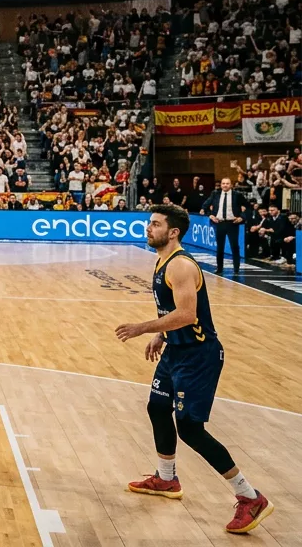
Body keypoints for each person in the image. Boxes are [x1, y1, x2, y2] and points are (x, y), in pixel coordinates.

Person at [116, 204, 274, 535]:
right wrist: (162, 334)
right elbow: (172, 310)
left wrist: (143, 328)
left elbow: (187, 314)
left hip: (198, 357)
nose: (148, 228)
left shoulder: (181, 265)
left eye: (155, 224)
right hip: (175, 351)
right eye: (149, 223)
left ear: (173, 232)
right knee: (157, 407)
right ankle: (167, 479)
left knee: (189, 428)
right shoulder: (162, 260)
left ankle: (250, 496)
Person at [199, 178, 245, 273]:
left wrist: (242, 217)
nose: (225, 185)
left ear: (231, 185)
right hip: (219, 223)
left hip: (232, 223)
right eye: (223, 183)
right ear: (221, 185)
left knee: (234, 246)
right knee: (220, 247)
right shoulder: (215, 194)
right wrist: (210, 215)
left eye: (227, 183)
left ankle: (236, 269)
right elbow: (204, 206)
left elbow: (248, 207)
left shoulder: (237, 195)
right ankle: (219, 268)